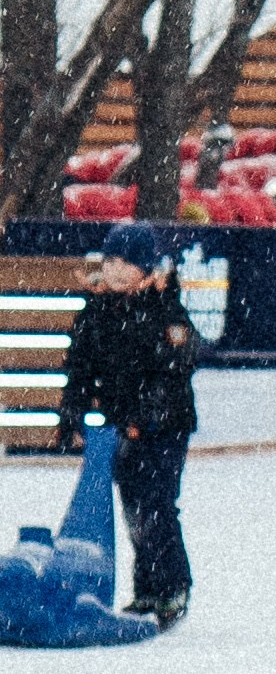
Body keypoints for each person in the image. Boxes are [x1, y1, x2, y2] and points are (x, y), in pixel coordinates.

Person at [54, 222, 199, 626]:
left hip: (165, 427)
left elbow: (175, 366)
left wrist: (146, 416)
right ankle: (146, 589)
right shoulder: (98, 310)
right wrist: (72, 413)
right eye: (110, 260)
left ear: (145, 268)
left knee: (156, 505)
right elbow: (80, 367)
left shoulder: (163, 308)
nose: (115, 269)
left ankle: (172, 586)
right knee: (134, 508)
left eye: (126, 262)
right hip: (123, 426)